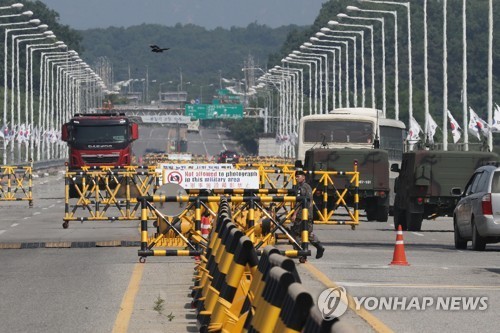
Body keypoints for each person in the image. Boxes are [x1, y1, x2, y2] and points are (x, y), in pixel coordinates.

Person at [291, 170, 325, 259]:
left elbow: (301, 201)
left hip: (303, 214)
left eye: (299, 176)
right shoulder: (302, 187)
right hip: (305, 214)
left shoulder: (304, 187)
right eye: (296, 176)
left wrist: (294, 214)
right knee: (307, 234)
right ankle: (317, 247)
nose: (297, 178)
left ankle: (301, 252)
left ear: (303, 177)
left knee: (297, 233)